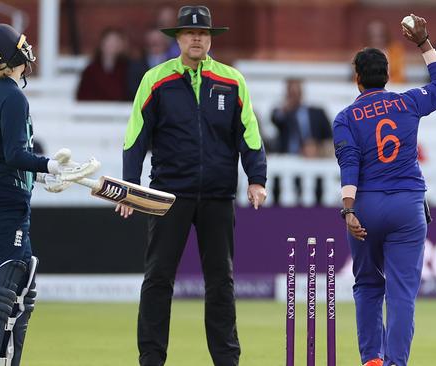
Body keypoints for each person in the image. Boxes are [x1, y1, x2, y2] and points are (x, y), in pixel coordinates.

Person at [117, 6, 267, 366]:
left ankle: (226, 360)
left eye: (202, 33)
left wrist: (257, 179)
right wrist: (129, 187)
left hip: (217, 195)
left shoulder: (232, 80)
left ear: (210, 38)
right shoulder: (155, 80)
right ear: (178, 38)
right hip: (168, 195)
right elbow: (135, 137)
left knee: (221, 282)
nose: (196, 38)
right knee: (158, 280)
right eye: (189, 33)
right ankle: (151, 359)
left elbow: (249, 133)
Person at [0, 23, 99, 366]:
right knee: (1, 288)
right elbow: (12, 155)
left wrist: (36, 178)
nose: (27, 50)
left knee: (20, 288)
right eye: (20, 45)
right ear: (9, 55)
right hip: (2, 199)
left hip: (3, 193)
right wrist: (48, 165)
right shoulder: (10, 95)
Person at [333, 14, 436, 366]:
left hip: (366, 206)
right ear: (387, 75)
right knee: (401, 295)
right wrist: (424, 42)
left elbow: (349, 164)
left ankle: (371, 359)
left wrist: (349, 210)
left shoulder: (346, 118)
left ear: (358, 79)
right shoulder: (408, 102)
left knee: (368, 285)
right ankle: (395, 363)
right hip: (407, 206)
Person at [271, 78, 333, 157]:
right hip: (288, 158)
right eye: (291, 93)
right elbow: (275, 119)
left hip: (313, 158)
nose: (294, 96)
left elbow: (329, 138)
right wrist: (286, 108)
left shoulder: (318, 113)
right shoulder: (282, 113)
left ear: (301, 93)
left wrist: (317, 147)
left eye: (297, 92)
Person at [76, 27, 132, 101]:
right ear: (102, 43)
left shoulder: (128, 68)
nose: (112, 45)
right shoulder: (91, 70)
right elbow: (82, 96)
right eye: (109, 41)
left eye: (116, 42)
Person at [128, 29, 172, 99]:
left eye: (159, 40)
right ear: (146, 44)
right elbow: (134, 89)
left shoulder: (175, 65)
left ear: (165, 43)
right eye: (152, 41)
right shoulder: (137, 65)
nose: (155, 43)